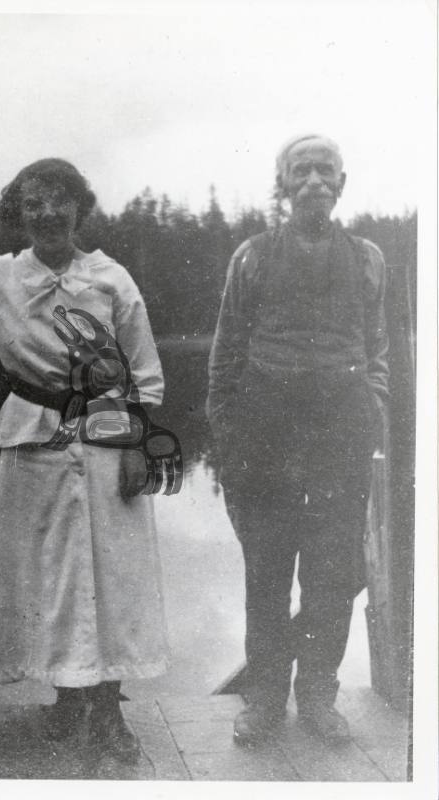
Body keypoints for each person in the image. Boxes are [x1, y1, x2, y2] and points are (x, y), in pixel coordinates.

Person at [0, 158, 172, 764]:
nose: (48, 214)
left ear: (79, 208)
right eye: (34, 203)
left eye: (59, 201)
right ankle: (66, 700)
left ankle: (108, 712)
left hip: (109, 442)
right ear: (18, 214)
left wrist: (138, 445)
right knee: (49, 576)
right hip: (34, 444)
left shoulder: (112, 278)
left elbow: (145, 370)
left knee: (111, 574)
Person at [206, 135, 388, 746]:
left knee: (332, 574)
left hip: (341, 432)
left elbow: (379, 350)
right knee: (266, 571)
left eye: (324, 171)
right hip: (267, 434)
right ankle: (263, 698)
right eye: (300, 171)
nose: (313, 180)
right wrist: (230, 444)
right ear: (283, 185)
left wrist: (373, 411)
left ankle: (317, 695)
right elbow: (225, 358)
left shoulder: (367, 258)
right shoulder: (251, 258)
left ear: (341, 183)